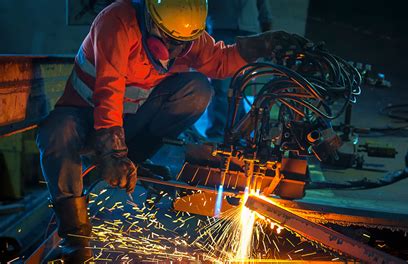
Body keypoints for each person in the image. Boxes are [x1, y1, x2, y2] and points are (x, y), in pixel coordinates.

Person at [35, 0, 309, 262]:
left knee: (197, 88)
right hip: (83, 115)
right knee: (56, 131)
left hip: (128, 120)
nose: (176, 51)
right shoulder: (117, 21)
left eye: (183, 43)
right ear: (151, 19)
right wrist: (112, 152)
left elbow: (220, 61)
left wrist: (260, 45)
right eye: (169, 40)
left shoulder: (186, 36)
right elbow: (109, 92)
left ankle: (136, 161)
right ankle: (75, 238)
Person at [205, 0, 272, 140]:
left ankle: (237, 132)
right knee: (221, 85)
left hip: (248, 31)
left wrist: (267, 35)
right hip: (222, 27)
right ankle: (219, 131)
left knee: (241, 85)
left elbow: (262, 5)